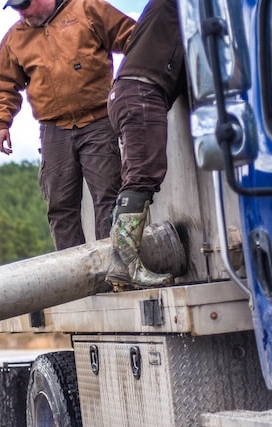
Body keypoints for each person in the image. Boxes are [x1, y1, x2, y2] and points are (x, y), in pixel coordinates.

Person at [0, 0, 135, 250]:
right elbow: (5, 85)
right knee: (60, 207)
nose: (21, 12)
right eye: (15, 8)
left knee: (108, 199)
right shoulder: (15, 39)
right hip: (53, 130)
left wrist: (136, 83)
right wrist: (2, 122)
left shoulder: (87, 9)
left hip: (99, 122)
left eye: (25, 4)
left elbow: (133, 39)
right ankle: (78, 277)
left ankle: (115, 270)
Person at [105, 0, 186, 288]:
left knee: (140, 176)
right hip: (142, 90)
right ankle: (125, 265)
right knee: (142, 176)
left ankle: (123, 263)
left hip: (129, 91)